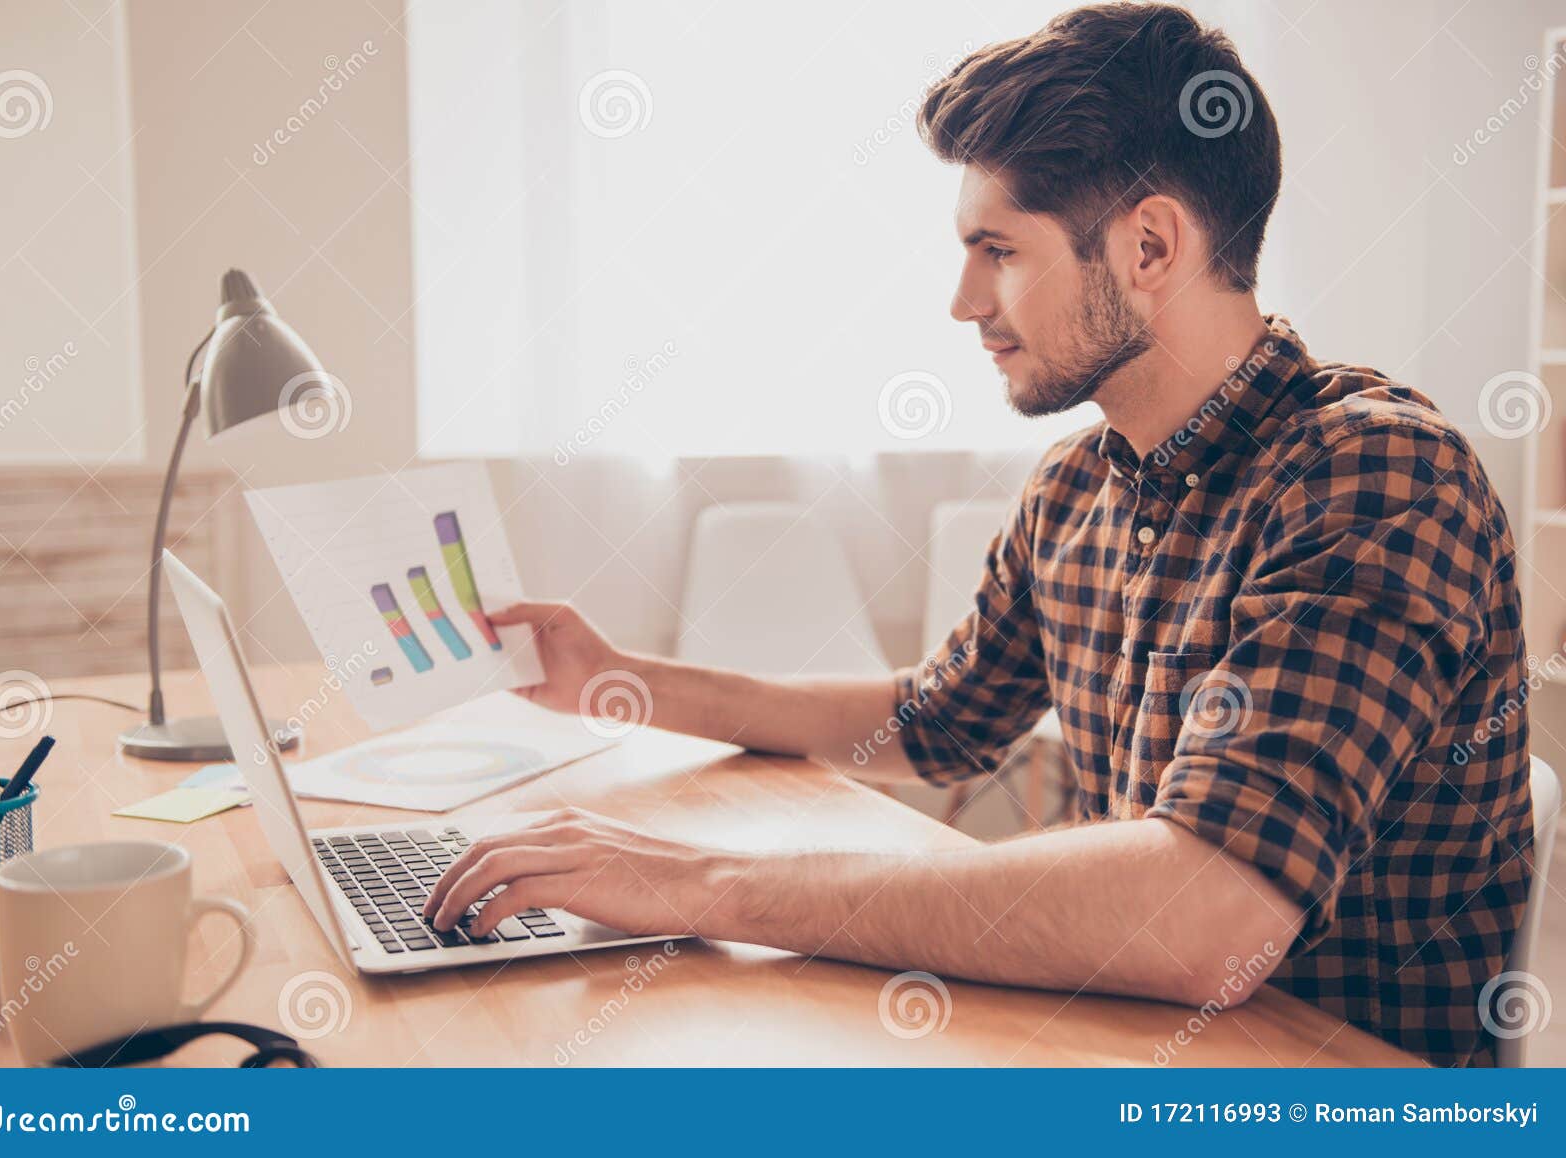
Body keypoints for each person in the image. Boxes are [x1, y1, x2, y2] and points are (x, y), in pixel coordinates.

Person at [425, 3, 1532, 1067]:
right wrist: (625, 681)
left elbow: (1205, 916)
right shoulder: (1075, 488)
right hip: (1131, 1043)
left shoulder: (1374, 475)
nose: (964, 301)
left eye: (997, 249)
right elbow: (934, 720)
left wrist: (709, 886)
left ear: (1149, 247)